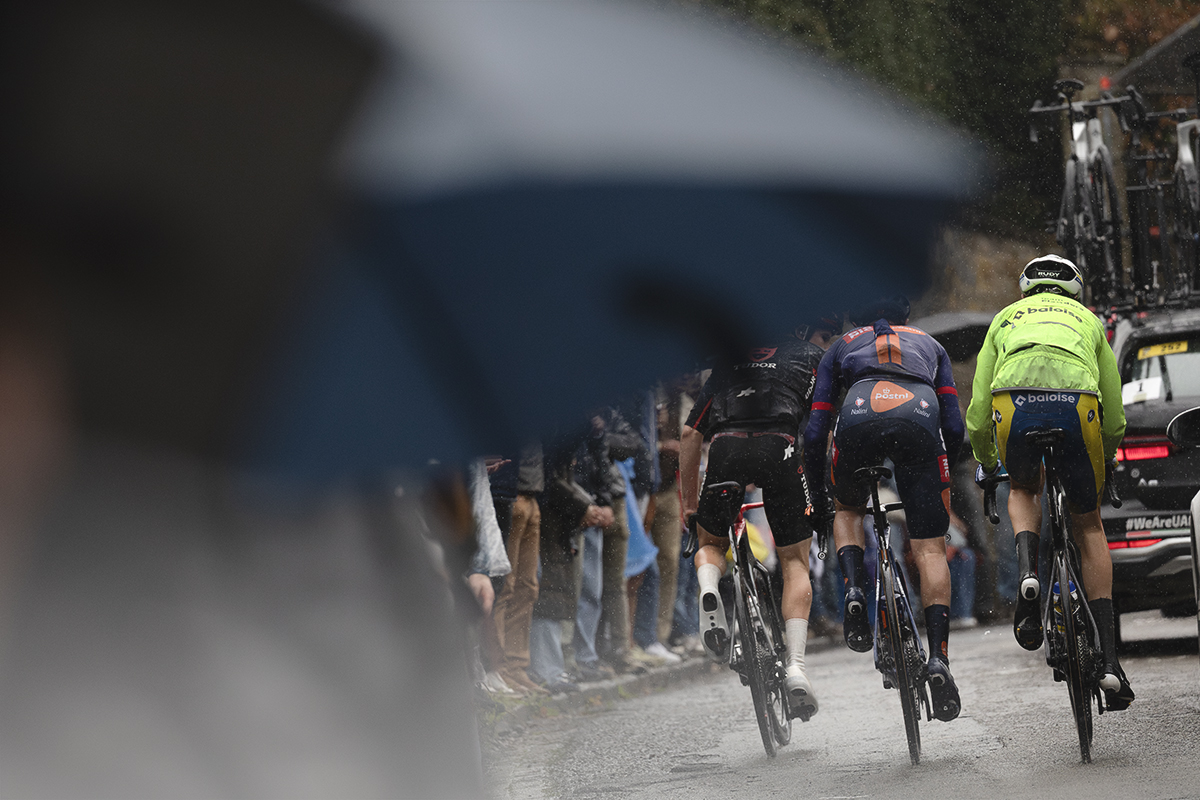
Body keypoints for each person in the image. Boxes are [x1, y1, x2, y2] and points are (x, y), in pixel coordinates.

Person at [966, 254, 1134, 711]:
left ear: (1025, 289)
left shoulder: (1004, 318)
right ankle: (1112, 665)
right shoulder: (1089, 320)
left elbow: (979, 409)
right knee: (1089, 525)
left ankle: (1027, 573)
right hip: (1077, 405)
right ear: (1074, 290)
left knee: (1023, 488)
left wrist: (986, 462)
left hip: (1013, 403)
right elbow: (1115, 414)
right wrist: (1110, 457)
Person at [802, 295, 964, 723]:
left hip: (859, 416)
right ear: (907, 313)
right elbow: (955, 426)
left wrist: (820, 491)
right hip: (920, 414)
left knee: (848, 510)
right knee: (929, 547)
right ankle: (939, 659)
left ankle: (855, 589)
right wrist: (949, 464)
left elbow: (816, 428)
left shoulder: (841, 345)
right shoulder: (930, 343)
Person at [680, 312, 843, 718]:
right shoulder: (810, 355)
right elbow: (822, 428)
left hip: (725, 448)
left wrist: (688, 505)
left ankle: (708, 585)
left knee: (711, 544)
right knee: (793, 562)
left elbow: (688, 434)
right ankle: (797, 668)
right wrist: (824, 495)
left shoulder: (728, 359)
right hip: (781, 446)